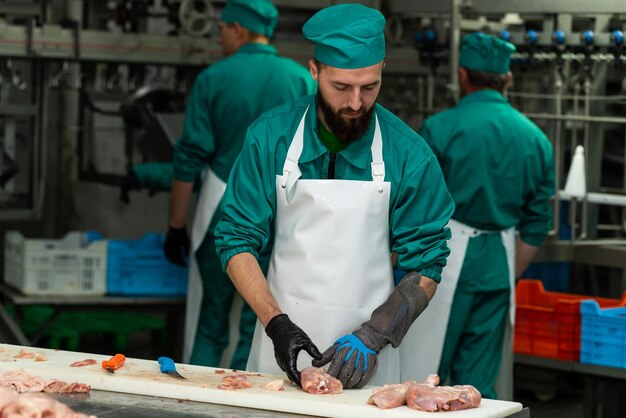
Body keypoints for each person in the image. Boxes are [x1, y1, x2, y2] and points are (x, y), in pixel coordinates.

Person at [214, 3, 455, 389]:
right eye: (341, 87)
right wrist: (276, 323)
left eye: (370, 87)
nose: (355, 104)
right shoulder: (270, 138)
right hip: (280, 353)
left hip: (367, 363)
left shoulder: (408, 154)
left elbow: (427, 267)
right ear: (314, 71)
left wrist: (375, 335)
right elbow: (235, 240)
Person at [164, 0, 317, 368]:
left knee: (211, 324)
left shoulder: (214, 78)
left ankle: (193, 404)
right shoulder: (299, 79)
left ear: (237, 28)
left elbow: (188, 158)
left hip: (222, 208)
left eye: (221, 30)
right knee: (258, 324)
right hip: (280, 213)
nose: (219, 37)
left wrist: (176, 225)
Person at [408, 32, 555, 399]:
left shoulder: (440, 128)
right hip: (498, 264)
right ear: (508, 79)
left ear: (462, 75)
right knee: (476, 388)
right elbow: (538, 225)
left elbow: (414, 208)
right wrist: (508, 266)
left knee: (424, 378)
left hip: (440, 259)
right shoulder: (535, 138)